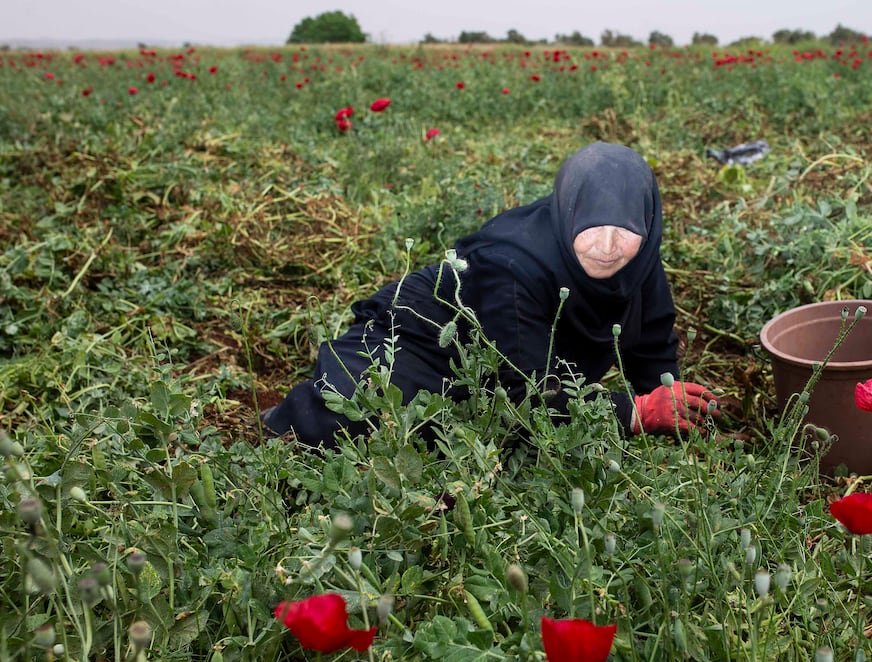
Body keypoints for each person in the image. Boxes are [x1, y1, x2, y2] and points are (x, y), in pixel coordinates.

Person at [262, 141, 718, 447]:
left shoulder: (637, 259)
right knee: (364, 417)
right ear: (566, 214)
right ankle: (279, 428)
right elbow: (527, 389)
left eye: (624, 231)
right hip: (427, 343)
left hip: (510, 364)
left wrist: (673, 404)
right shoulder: (514, 264)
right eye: (591, 229)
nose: (607, 246)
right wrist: (633, 413)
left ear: (648, 224)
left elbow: (652, 342)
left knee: (492, 431)